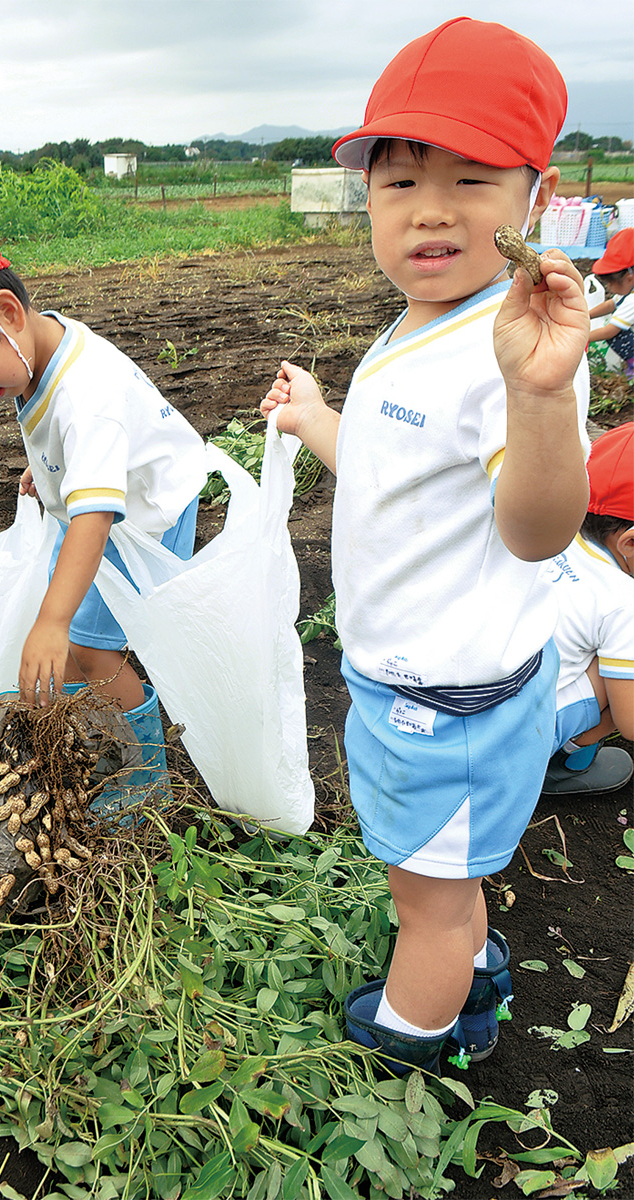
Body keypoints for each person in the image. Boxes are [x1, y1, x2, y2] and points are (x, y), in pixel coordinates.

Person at [261, 17, 591, 1074]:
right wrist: (319, 420)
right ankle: (470, 961)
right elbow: (403, 476)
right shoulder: (420, 321)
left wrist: (539, 402)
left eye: (472, 178)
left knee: (429, 904)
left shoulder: (515, 351)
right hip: (417, 684)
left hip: (445, 708)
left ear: (531, 200)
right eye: (400, 181)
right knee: (439, 876)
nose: (431, 210)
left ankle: (404, 1048)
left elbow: (537, 531)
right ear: (366, 198)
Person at [0, 215, 207, 792]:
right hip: (100, 502)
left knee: (87, 647)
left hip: (146, 513)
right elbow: (74, 435)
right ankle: (92, 737)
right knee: (72, 641)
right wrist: (54, 465)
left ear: (6, 312)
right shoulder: (36, 350)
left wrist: (52, 622)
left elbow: (95, 509)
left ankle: (145, 784)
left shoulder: (88, 395)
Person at [542, 422, 634, 794]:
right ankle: (562, 765)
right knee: (622, 678)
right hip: (509, 738)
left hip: (456, 703)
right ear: (630, 543)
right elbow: (631, 725)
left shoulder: (544, 531)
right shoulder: (623, 601)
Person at [586, 229, 634, 377]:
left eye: (610, 283)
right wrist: (585, 315)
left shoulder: (632, 300)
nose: (609, 287)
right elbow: (610, 305)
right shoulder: (628, 291)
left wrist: (580, 337)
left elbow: (610, 331)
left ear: (629, 278)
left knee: (617, 333)